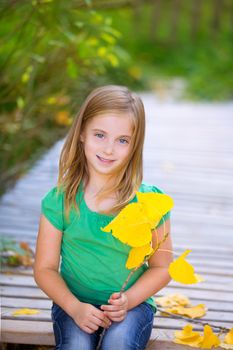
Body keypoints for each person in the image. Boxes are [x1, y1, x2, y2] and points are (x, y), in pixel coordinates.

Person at [34, 85, 173, 350]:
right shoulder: (60, 201)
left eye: (122, 140)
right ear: (82, 134)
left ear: (135, 146)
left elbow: (162, 267)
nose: (109, 149)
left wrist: (129, 300)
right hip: (73, 303)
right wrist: (74, 307)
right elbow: (44, 269)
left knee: (119, 344)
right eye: (100, 135)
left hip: (131, 307)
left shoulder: (150, 202)